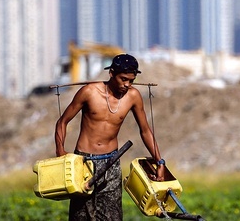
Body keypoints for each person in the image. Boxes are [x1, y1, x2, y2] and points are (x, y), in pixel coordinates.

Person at [55, 53, 166, 221]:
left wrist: (159, 161)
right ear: (111, 73)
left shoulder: (133, 96)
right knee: (81, 217)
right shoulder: (89, 92)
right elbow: (62, 122)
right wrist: (60, 151)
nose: (127, 84)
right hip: (84, 163)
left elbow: (145, 131)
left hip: (111, 163)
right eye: (123, 79)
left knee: (112, 217)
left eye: (131, 80)